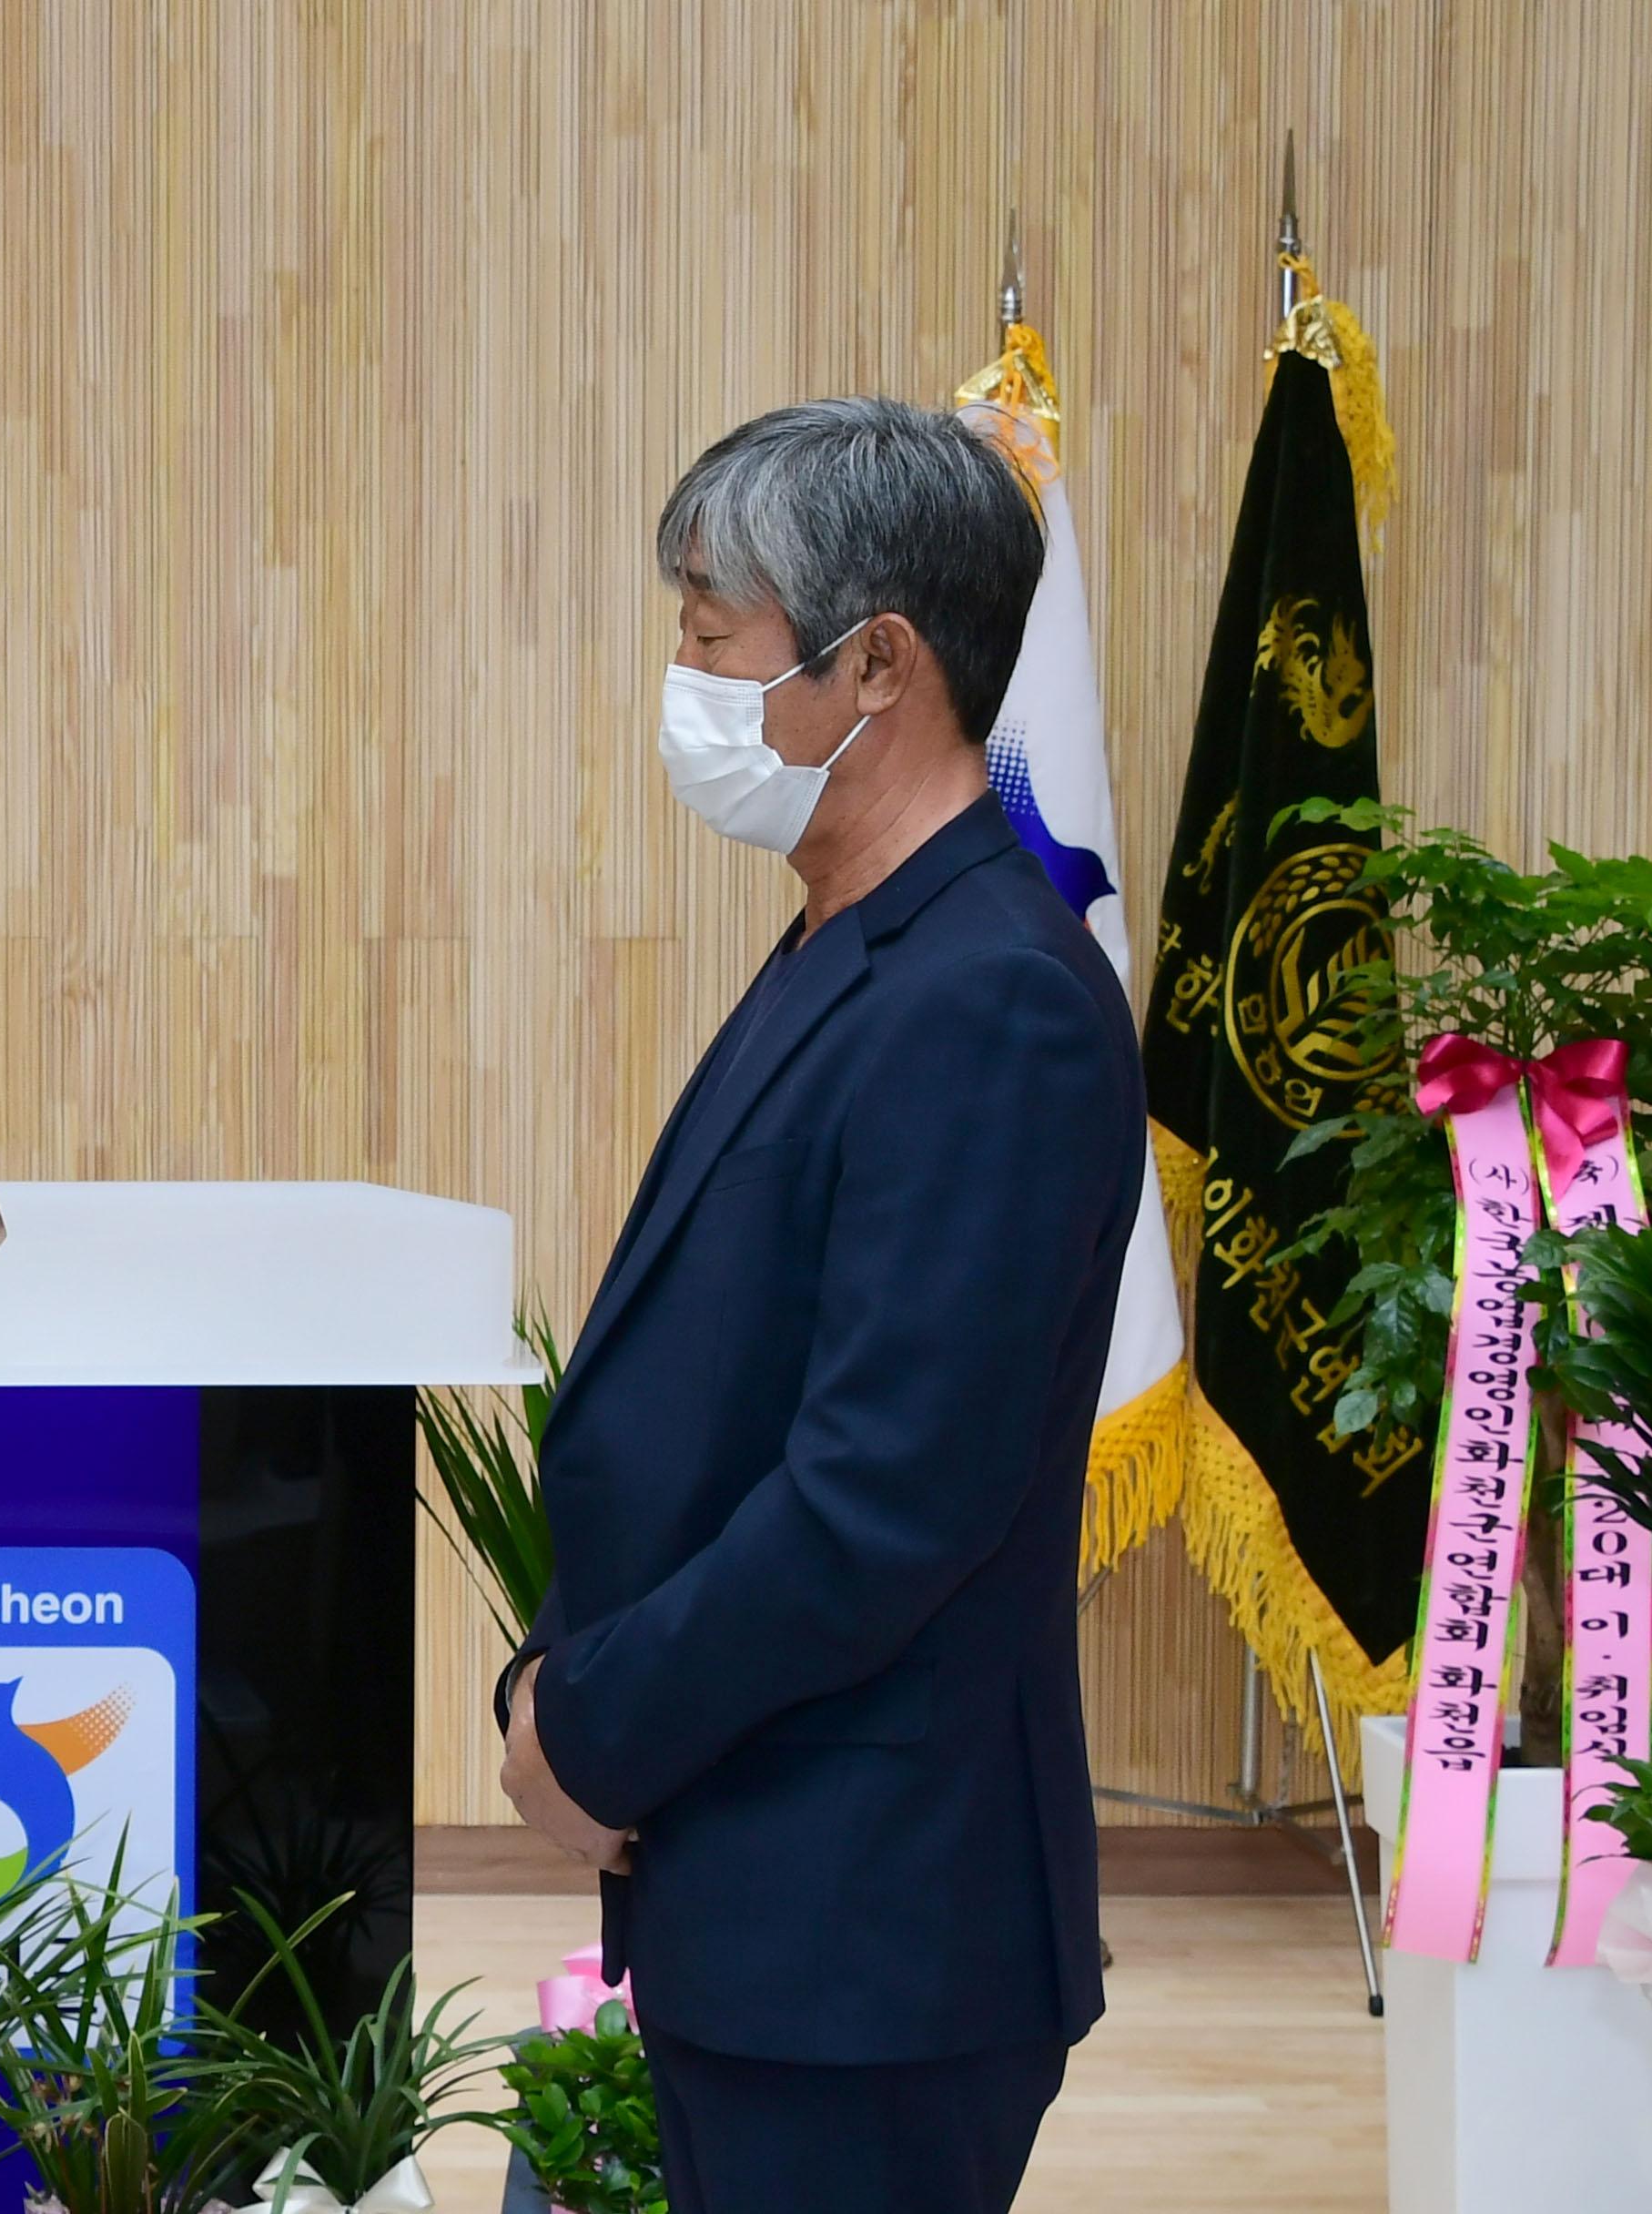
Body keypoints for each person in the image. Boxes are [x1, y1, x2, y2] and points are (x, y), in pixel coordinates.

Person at [495, 397, 1139, 2214]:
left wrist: (588, 1730)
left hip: (877, 1923)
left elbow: (882, 1501)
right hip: (778, 1891)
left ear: (879, 665)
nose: (685, 687)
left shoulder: (986, 997)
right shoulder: (854, 937)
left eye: (714, 642)